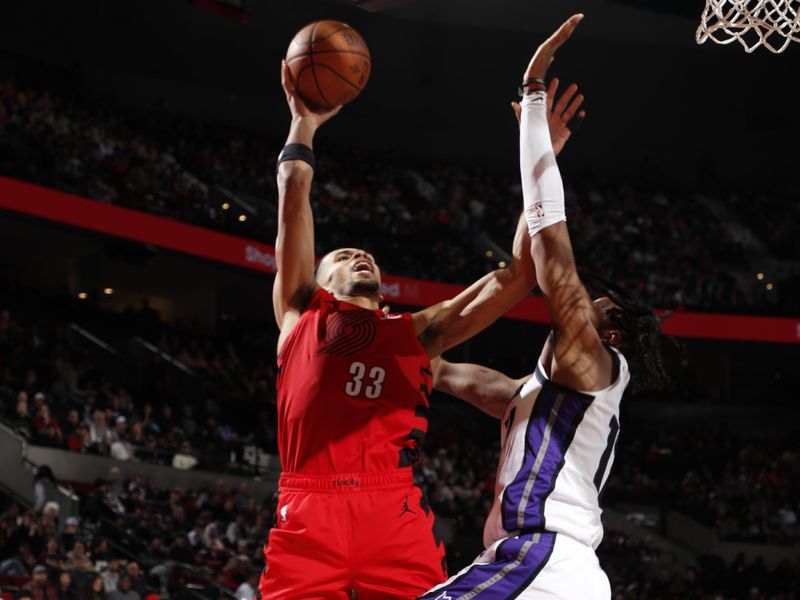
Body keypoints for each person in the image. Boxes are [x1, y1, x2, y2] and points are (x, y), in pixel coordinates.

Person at [259, 39, 595, 598]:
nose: (357, 254)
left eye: (364, 253)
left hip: (391, 510)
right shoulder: (299, 314)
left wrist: (544, 156)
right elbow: (294, 192)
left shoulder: (415, 336)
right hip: (309, 510)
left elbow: (516, 276)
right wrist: (304, 122)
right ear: (318, 280)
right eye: (341, 256)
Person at [421, 15, 675, 600]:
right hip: (539, 567)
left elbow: (551, 249)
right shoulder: (536, 396)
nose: (583, 307)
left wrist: (533, 100)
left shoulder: (592, 362)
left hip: (543, 559)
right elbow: (453, 375)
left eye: (595, 308)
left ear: (610, 337)